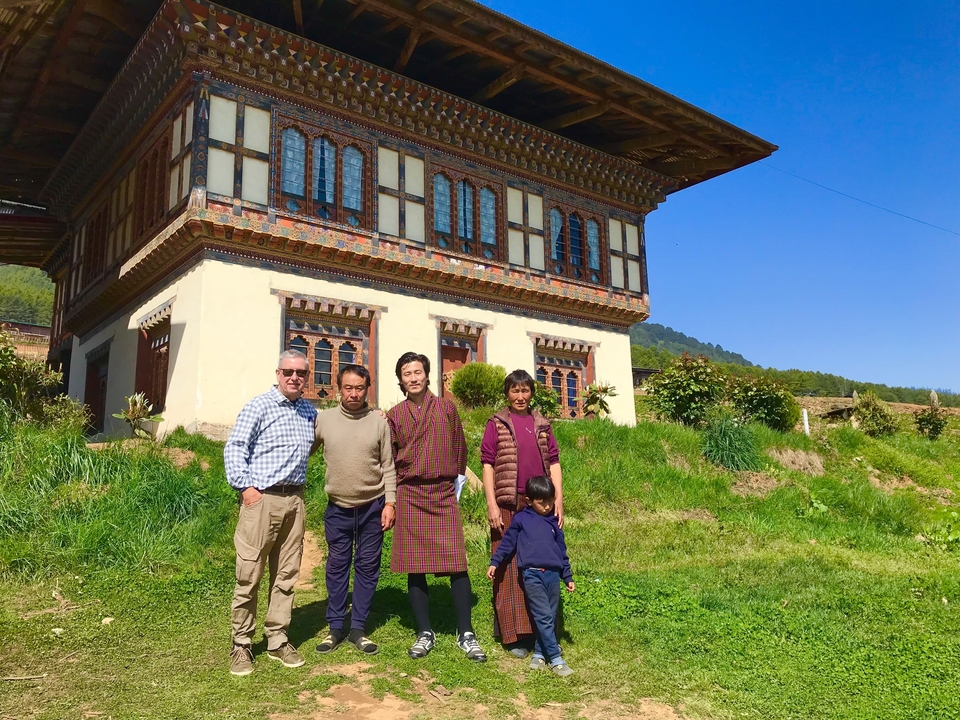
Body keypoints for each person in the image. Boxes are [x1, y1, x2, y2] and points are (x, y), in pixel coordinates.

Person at [386, 351, 487, 662]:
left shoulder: (446, 408)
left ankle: (466, 632)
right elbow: (388, 456)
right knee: (415, 568)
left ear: (427, 375)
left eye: (418, 372)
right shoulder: (394, 415)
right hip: (409, 494)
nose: (413, 378)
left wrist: (455, 484)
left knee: (457, 563)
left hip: (442, 493)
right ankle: (424, 631)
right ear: (401, 380)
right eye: (407, 373)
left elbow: (459, 447)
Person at [224, 349, 317, 676]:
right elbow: (235, 447)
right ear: (278, 373)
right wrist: (246, 489)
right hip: (261, 499)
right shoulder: (259, 406)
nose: (294, 377)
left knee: (287, 574)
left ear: (307, 377)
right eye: (288, 371)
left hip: (295, 501)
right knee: (249, 573)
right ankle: (242, 644)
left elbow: (333, 430)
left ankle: (277, 639)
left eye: (301, 373)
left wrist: (373, 415)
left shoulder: (309, 411)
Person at [313, 364, 396, 656]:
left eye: (359, 388)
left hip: (373, 507)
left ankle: (358, 627)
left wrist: (390, 502)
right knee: (337, 567)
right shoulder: (323, 420)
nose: (353, 393)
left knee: (367, 567)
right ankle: (335, 626)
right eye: (348, 387)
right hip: (338, 508)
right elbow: (304, 451)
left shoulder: (378, 423)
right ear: (339, 388)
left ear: (367, 389)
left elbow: (388, 465)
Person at [480, 369, 563, 657]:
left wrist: (558, 501)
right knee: (507, 566)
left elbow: (553, 462)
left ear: (531, 394)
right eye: (515, 391)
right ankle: (514, 635)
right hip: (506, 503)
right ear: (507, 394)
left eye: (525, 390)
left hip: (539, 506)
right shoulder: (497, 423)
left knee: (541, 564)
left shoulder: (542, 424)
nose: (520, 396)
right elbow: (487, 464)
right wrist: (492, 504)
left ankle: (542, 634)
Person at [486, 474, 575, 676]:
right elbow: (507, 544)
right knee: (543, 616)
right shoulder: (521, 520)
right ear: (528, 501)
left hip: (553, 576)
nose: (546, 507)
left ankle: (539, 653)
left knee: (550, 616)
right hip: (532, 575)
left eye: (550, 502)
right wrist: (495, 562)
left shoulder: (554, 523)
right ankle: (555, 658)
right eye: (541, 503)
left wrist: (567, 576)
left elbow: (562, 552)